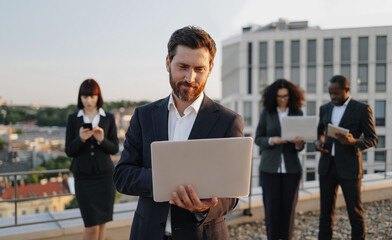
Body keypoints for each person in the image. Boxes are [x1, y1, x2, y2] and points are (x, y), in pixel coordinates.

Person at [113, 26, 244, 240]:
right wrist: (167, 181)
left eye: (199, 69)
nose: (190, 77)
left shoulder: (229, 121)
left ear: (210, 68)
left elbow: (233, 193)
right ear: (168, 63)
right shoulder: (143, 116)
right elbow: (122, 175)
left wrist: (203, 209)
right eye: (183, 66)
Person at [316, 75, 378, 240]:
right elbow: (320, 131)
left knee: (355, 212)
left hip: (350, 167)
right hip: (327, 167)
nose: (333, 97)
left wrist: (354, 142)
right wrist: (319, 142)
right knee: (325, 213)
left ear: (347, 90)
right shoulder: (324, 108)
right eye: (330, 93)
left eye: (336, 93)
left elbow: (373, 139)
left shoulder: (362, 109)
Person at [65, 79, 119, 240]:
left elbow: (114, 148)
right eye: (85, 96)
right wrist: (80, 139)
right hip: (83, 178)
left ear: (98, 97)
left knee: (102, 223)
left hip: (105, 177)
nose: (88, 101)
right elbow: (69, 151)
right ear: (80, 98)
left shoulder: (108, 118)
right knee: (91, 226)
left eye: (92, 96)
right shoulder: (73, 119)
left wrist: (102, 140)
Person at [255, 79, 305, 240]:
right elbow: (258, 138)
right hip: (269, 169)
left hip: (292, 169)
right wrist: (272, 140)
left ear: (291, 96)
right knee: (271, 210)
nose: (283, 99)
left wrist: (298, 143)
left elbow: (302, 145)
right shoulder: (267, 113)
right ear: (273, 97)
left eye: (285, 96)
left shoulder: (297, 113)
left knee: (288, 210)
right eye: (279, 96)